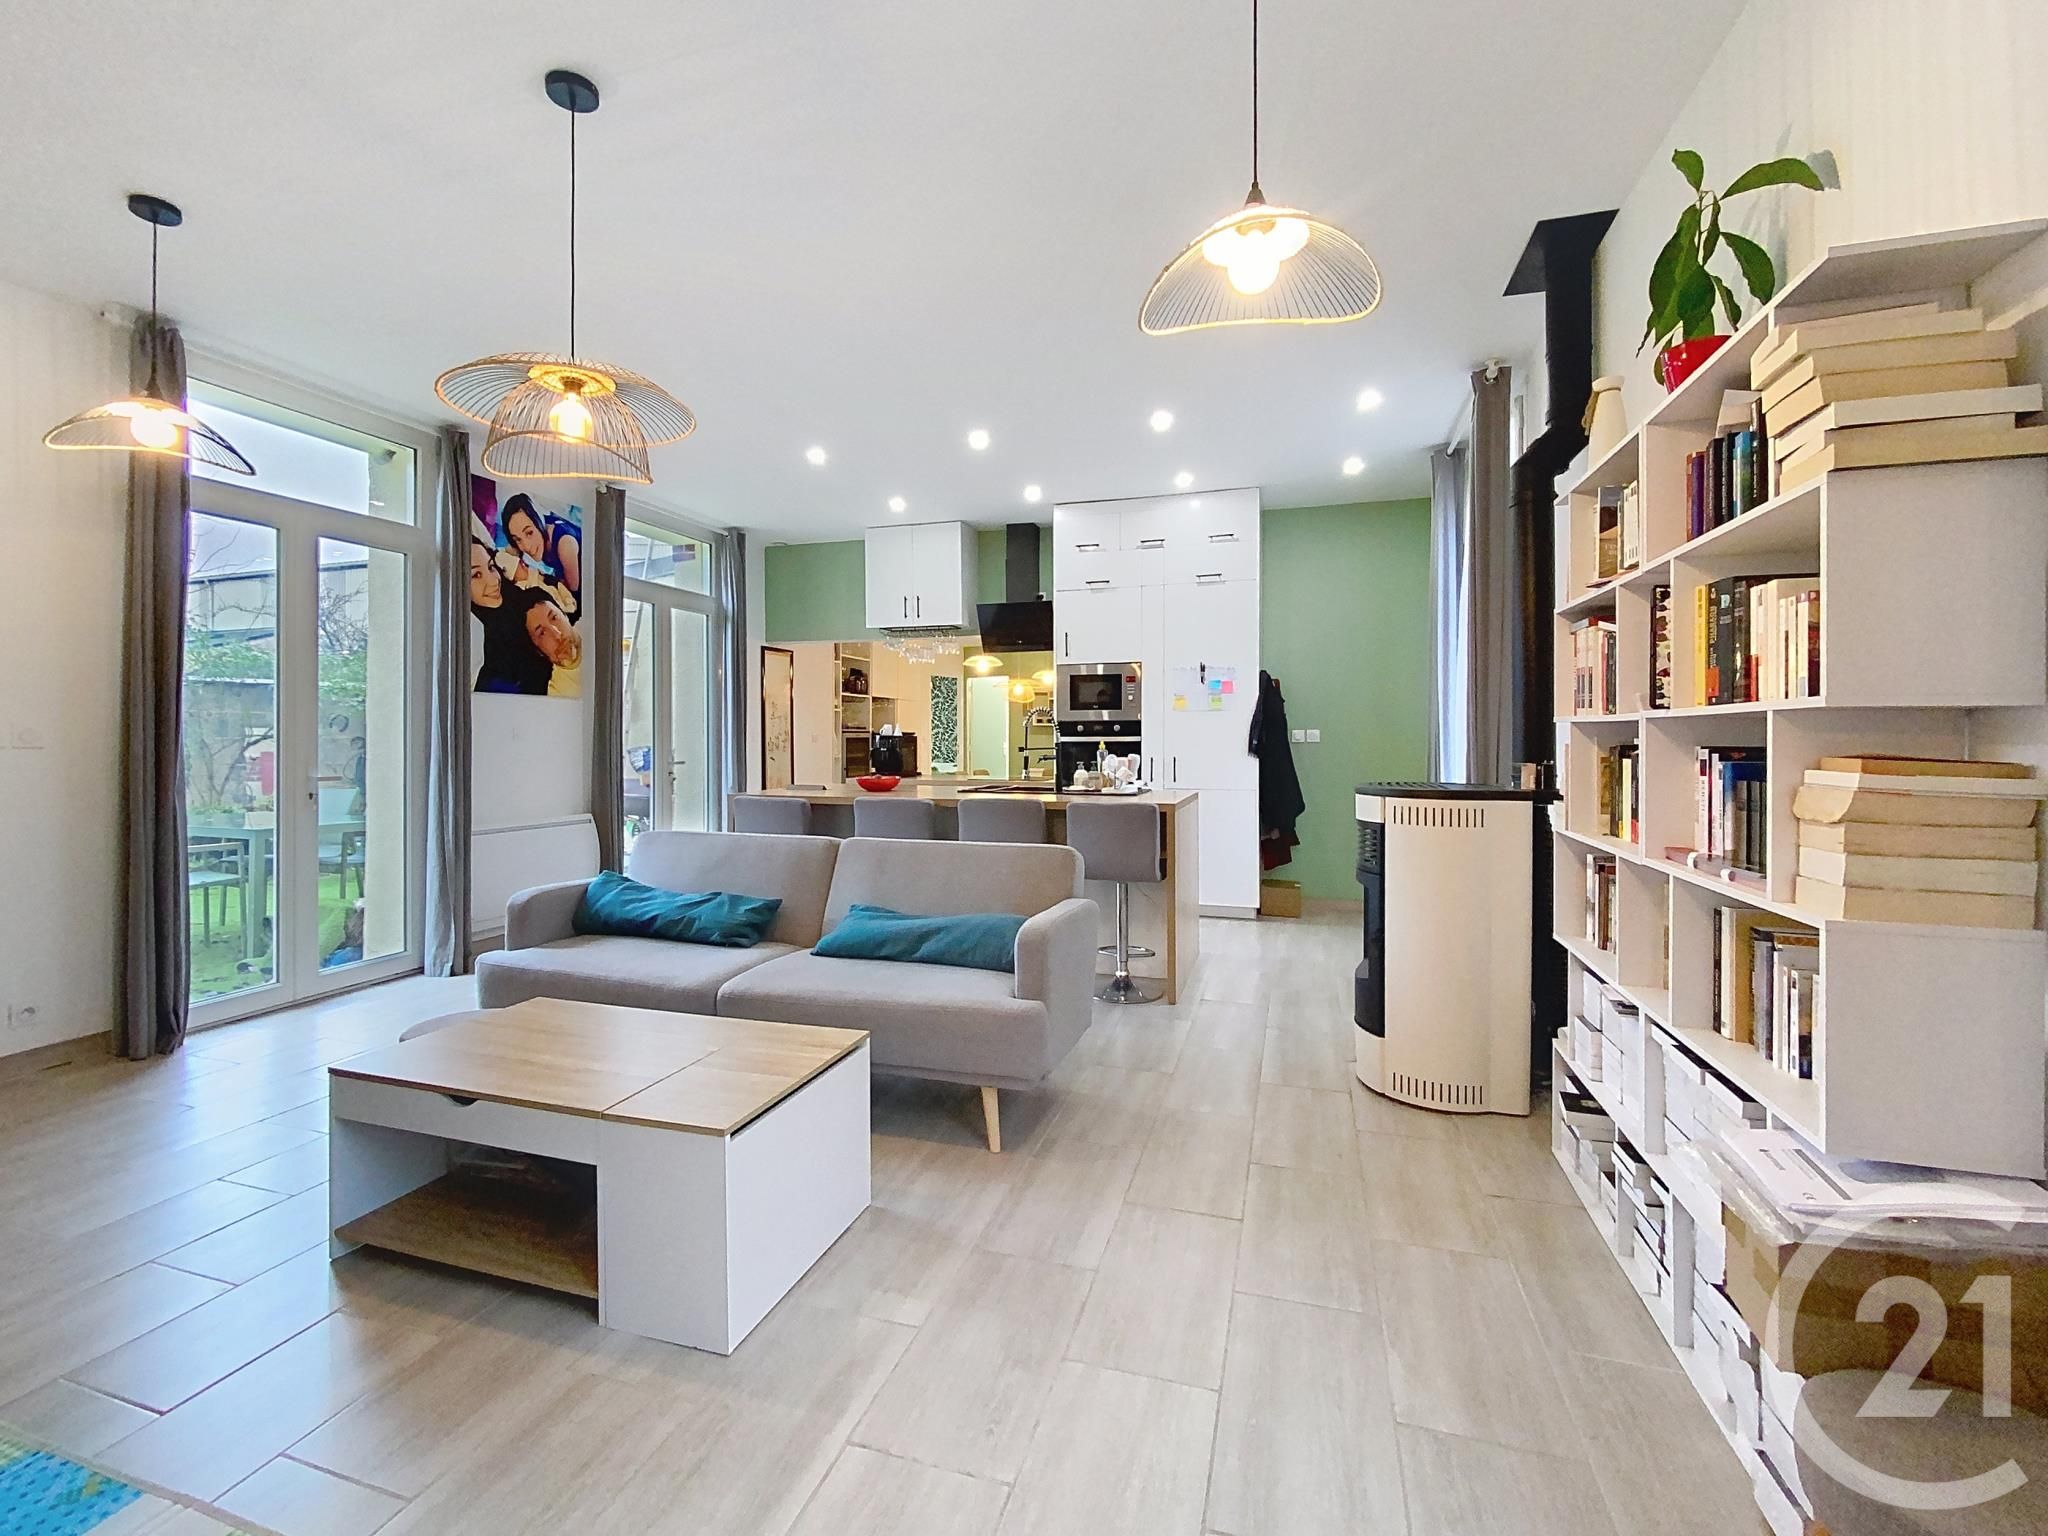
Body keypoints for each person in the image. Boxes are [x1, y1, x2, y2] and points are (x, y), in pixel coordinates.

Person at [472, 541, 552, 694]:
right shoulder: (480, 649)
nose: (493, 581)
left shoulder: (534, 600)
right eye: (476, 575)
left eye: (490, 567)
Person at [501, 494, 581, 621]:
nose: (526, 546)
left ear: (538, 521)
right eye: (518, 539)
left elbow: (573, 594)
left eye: (529, 533)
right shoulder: (538, 528)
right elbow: (505, 555)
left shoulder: (565, 544)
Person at [520, 589, 584, 698]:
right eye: (542, 633)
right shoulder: (558, 693)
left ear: (564, 615)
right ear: (539, 651)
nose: (557, 634)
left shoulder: (598, 625)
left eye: (554, 617)